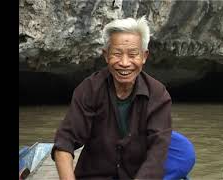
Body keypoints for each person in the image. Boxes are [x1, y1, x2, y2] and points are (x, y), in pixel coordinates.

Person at [51, 16, 173, 179]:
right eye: (116, 54)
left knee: (182, 151)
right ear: (106, 55)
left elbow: (157, 154)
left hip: (137, 175)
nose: (124, 63)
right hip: (95, 175)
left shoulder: (158, 94)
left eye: (132, 54)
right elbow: (64, 143)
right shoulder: (89, 89)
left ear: (144, 56)